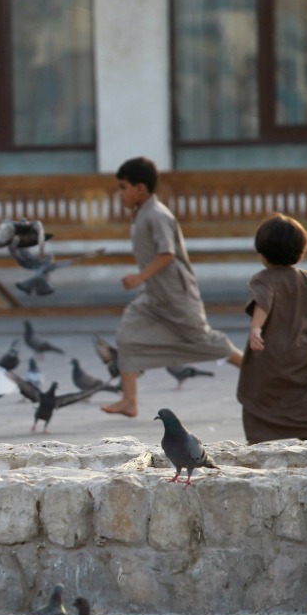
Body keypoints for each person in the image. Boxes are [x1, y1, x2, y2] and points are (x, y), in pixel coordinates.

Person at [101, 156, 241, 418]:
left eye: (123, 187)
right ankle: (129, 400)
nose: (119, 193)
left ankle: (259, 369)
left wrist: (139, 277)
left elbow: (167, 254)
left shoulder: (157, 214)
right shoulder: (141, 213)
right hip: (153, 297)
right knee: (127, 335)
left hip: (177, 295)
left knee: (205, 341)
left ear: (140, 189)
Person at [237, 214, 307, 444]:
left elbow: (263, 301)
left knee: (258, 399)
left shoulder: (262, 279)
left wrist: (256, 329)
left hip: (269, 359)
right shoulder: (306, 279)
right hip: (303, 355)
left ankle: (259, 439)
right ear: (300, 251)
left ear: (262, 253)